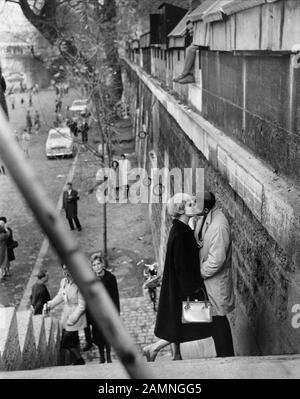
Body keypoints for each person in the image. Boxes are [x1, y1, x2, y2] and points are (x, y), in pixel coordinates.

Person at [143, 193, 212, 361]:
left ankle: (176, 355)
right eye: (190, 203)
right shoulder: (181, 233)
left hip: (177, 287)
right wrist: (192, 289)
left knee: (179, 324)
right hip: (183, 289)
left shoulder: (180, 229)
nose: (194, 205)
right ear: (181, 209)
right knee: (188, 325)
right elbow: (182, 267)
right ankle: (153, 348)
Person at [192, 191, 235, 357]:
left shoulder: (219, 226)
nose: (191, 205)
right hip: (207, 280)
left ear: (205, 209)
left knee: (219, 318)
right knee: (213, 318)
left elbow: (217, 260)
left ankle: (226, 356)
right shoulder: (205, 216)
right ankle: (222, 354)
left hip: (215, 281)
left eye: (195, 204)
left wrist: (198, 274)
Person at [43, 264, 86, 365]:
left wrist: (72, 319)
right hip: (66, 314)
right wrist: (49, 305)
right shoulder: (63, 282)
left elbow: (82, 305)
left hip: (76, 316)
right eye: (64, 269)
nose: (66, 272)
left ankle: (79, 360)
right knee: (73, 341)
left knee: (64, 343)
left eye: (68, 269)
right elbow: (60, 296)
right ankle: (77, 361)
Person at [84, 254, 120, 363]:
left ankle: (108, 355)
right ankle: (101, 356)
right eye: (94, 265)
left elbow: (115, 296)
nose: (97, 267)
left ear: (102, 264)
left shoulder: (110, 278)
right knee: (98, 334)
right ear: (92, 267)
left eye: (99, 264)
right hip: (96, 312)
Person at [173, 20, 197, 84]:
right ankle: (189, 76)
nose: (190, 31)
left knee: (190, 49)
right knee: (188, 49)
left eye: (192, 28)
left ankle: (184, 74)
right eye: (189, 30)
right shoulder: (191, 36)